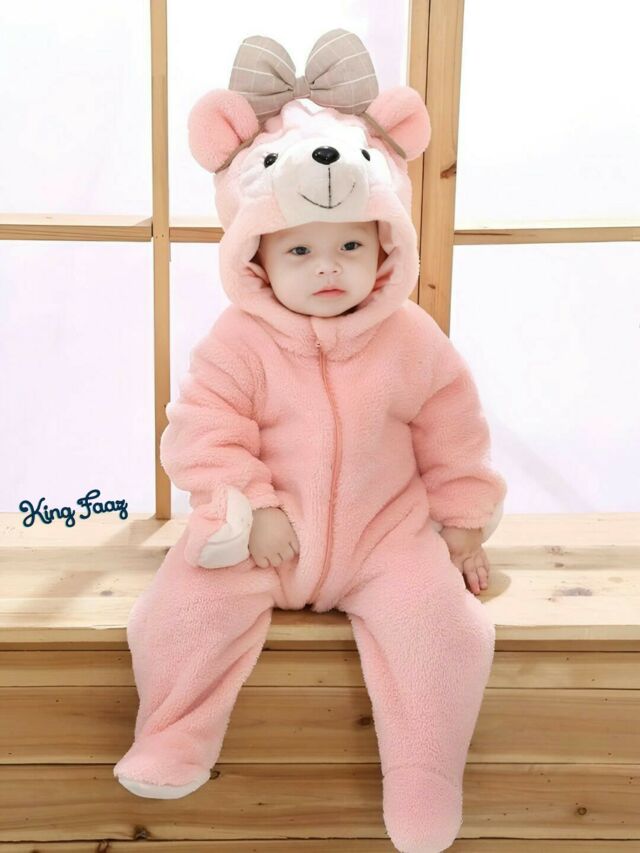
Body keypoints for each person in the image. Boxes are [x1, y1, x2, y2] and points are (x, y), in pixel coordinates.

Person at [114, 29, 508, 853]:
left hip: (383, 536)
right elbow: (205, 427)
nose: (328, 268)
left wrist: (463, 521)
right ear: (256, 257)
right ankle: (174, 734)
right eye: (299, 249)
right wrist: (251, 505)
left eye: (350, 247)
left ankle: (426, 774)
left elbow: (454, 430)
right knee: (182, 609)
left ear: (385, 246)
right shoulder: (239, 340)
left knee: (443, 630)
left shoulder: (410, 338)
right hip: (261, 536)